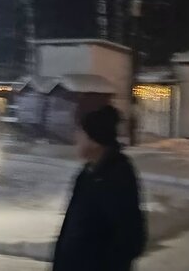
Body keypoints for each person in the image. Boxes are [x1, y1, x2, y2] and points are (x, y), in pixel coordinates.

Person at [52, 104, 147, 271]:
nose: (76, 138)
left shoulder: (118, 176)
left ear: (95, 140)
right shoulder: (86, 174)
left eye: (81, 133)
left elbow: (130, 239)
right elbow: (70, 229)